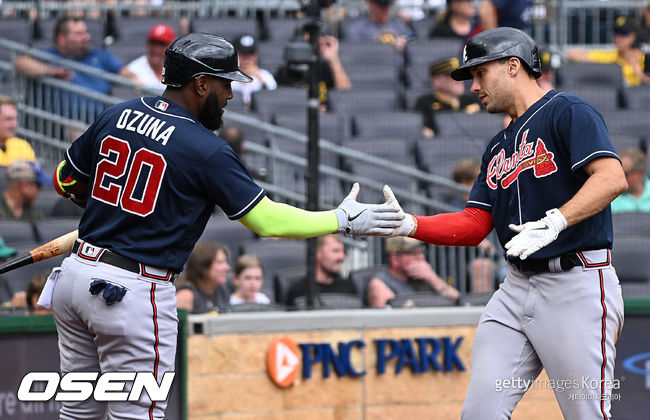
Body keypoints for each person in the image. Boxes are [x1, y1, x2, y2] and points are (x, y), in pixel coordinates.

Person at [44, 33, 401, 419]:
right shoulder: (206, 148)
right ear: (201, 84)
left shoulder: (118, 113)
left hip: (75, 278)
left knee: (78, 412)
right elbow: (266, 220)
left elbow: (65, 179)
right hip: (130, 291)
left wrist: (102, 202)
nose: (230, 94)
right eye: (225, 83)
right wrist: (340, 220)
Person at [384, 27, 627, 418]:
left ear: (513, 65)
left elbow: (612, 177)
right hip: (515, 289)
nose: (472, 86)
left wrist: (557, 221)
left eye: (480, 73)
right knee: (479, 414)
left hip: (574, 285)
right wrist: (410, 224)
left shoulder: (568, 111)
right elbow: (474, 223)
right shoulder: (497, 146)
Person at [14, 16, 139, 93]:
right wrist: (53, 71)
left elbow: (125, 72)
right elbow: (21, 63)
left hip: (102, 119)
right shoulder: (49, 56)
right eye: (79, 34)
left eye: (86, 33)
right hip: (64, 125)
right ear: (62, 39)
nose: (86, 37)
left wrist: (134, 81)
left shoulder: (99, 55)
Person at [367, 236, 459, 307]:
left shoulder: (425, 276)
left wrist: (433, 278)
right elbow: (388, 320)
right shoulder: (379, 283)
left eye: (421, 252)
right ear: (395, 259)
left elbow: (458, 301)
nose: (421, 257)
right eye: (413, 253)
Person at [275, 26, 351, 109]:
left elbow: (345, 94)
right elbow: (286, 104)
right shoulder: (286, 71)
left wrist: (333, 58)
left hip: (325, 117)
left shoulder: (325, 68)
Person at [566, 16, 650, 86]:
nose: (618, 37)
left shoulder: (646, 59)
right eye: (615, 32)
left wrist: (638, 72)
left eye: (624, 33)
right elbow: (573, 54)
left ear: (634, 36)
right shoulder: (611, 57)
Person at [413, 56, 482, 138]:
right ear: (437, 81)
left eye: (461, 75)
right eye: (454, 76)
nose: (460, 80)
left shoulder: (472, 100)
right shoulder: (424, 104)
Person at [286, 234, 357, 306]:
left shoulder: (348, 287)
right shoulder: (299, 291)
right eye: (336, 251)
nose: (342, 257)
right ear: (317, 253)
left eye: (343, 251)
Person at [175, 242, 231, 313]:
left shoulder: (223, 290)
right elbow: (181, 324)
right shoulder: (186, 295)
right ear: (203, 267)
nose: (227, 267)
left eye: (225, 262)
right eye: (220, 262)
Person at [345, 0, 414, 52]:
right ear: (370, 3)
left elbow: (414, 43)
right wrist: (392, 47)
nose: (385, 9)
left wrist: (406, 44)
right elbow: (355, 52)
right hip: (373, 68)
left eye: (387, 4)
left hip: (397, 69)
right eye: (381, 5)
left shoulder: (399, 24)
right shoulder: (358, 28)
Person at [231, 34, 277, 110]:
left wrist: (259, 77)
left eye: (251, 54)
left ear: (256, 55)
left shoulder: (265, 75)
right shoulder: (226, 75)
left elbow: (274, 99)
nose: (247, 58)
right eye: (243, 54)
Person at [126, 24, 177, 93]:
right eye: (153, 43)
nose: (156, 49)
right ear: (147, 43)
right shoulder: (133, 69)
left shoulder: (177, 69)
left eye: (162, 44)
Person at [610, 147, 650, 213]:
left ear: (639, 174)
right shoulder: (609, 198)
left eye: (625, 174)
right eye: (616, 174)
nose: (618, 178)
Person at [0, 96, 37, 166]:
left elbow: (36, 174)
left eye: (15, 119)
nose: (13, 124)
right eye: (8, 119)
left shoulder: (23, 146)